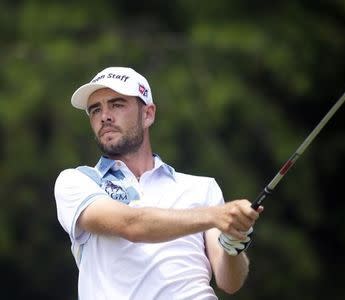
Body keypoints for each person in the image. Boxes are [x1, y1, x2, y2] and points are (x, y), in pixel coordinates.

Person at [54, 66, 263, 300]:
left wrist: (234, 243)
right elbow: (131, 225)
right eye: (95, 110)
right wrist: (216, 216)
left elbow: (229, 282)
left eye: (117, 104)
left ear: (148, 114)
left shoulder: (202, 188)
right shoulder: (77, 181)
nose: (105, 116)